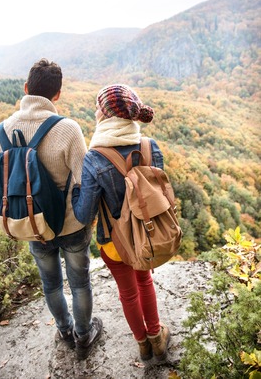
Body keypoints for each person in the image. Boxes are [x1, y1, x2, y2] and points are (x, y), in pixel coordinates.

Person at [0, 58, 103, 361]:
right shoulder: (67, 129)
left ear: (26, 88)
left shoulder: (1, 132)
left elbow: (0, 186)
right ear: (58, 94)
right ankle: (84, 336)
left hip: (32, 225)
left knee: (50, 283)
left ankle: (64, 329)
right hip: (70, 226)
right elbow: (85, 181)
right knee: (80, 283)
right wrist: (87, 219)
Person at [71, 84, 170, 362]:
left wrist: (76, 191)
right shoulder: (150, 146)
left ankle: (143, 345)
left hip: (114, 243)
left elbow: (84, 215)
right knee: (145, 281)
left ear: (105, 115)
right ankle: (157, 338)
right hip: (147, 236)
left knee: (127, 293)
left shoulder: (94, 157)